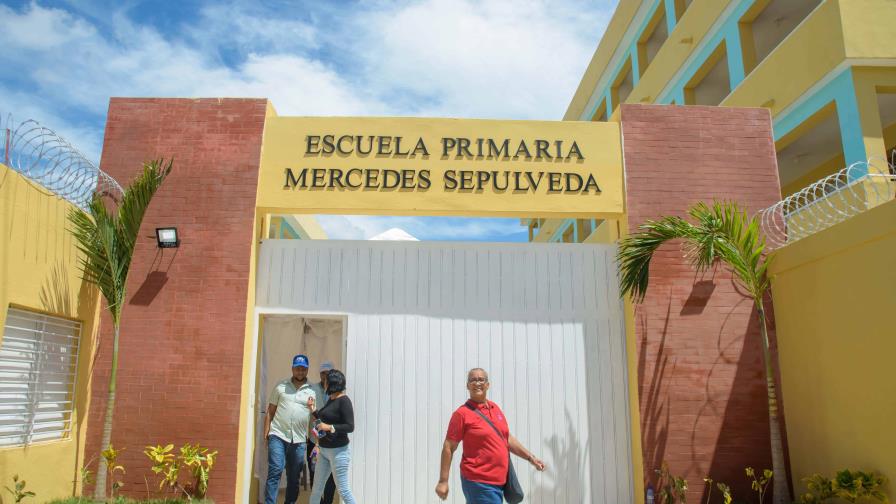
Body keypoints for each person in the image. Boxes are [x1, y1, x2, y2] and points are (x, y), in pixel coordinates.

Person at [435, 368, 546, 503]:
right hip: (479, 481)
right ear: (467, 385)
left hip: (499, 482)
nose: (477, 383)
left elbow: (506, 438)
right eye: (473, 380)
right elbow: (449, 447)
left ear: (488, 384)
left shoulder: (495, 408)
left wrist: (531, 458)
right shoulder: (461, 414)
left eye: (481, 379)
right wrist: (443, 481)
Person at [263, 354, 316, 504]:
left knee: (294, 478)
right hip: (278, 435)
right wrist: (266, 433)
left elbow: (314, 417)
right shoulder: (281, 386)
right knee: (275, 471)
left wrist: (317, 442)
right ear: (292, 368)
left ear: (307, 370)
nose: (300, 371)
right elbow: (270, 411)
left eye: (303, 369)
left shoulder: (312, 391)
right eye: (297, 368)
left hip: (299, 440)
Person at [308, 369, 357, 504]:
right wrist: (313, 410)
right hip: (324, 451)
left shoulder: (344, 401)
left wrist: (329, 427)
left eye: (326, 380)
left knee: (343, 490)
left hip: (339, 452)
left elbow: (350, 426)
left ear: (332, 383)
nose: (324, 382)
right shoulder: (331, 399)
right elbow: (324, 420)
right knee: (317, 489)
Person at [307, 360, 337, 504]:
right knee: (314, 475)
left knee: (330, 478)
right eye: (323, 373)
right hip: (315, 442)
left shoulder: (336, 392)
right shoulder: (311, 388)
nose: (325, 376)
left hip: (331, 442)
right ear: (319, 374)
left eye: (328, 373)